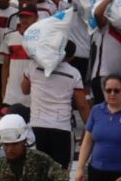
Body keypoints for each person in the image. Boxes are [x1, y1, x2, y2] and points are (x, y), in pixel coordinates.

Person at [22, 41, 91, 170]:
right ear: (71, 57)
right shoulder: (74, 73)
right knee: (60, 172)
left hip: (37, 126)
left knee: (38, 171)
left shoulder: (34, 66)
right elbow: (82, 105)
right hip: (61, 128)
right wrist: (91, 127)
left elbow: (24, 90)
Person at [0, 6, 36, 117]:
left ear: (36, 18)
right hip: (12, 95)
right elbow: (5, 66)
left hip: (34, 95)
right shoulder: (9, 37)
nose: (24, 19)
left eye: (28, 16)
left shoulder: (42, 38)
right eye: (22, 16)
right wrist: (3, 91)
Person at [54, 0, 91, 82]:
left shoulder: (85, 7)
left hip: (82, 54)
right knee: (66, 84)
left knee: (81, 84)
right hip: (67, 54)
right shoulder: (64, 6)